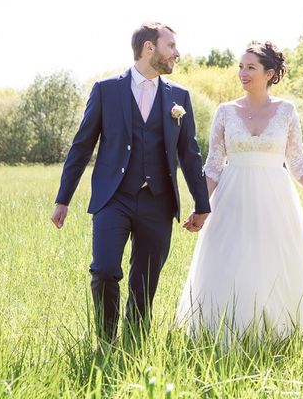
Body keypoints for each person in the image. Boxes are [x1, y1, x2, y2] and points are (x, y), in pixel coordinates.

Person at [51, 22, 211, 346]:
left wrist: (202, 205)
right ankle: (107, 342)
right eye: (170, 46)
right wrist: (63, 199)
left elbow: (189, 155)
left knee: (144, 284)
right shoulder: (106, 90)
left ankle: (133, 349)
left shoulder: (179, 97)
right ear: (149, 48)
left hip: (159, 202)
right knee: (105, 270)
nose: (176, 53)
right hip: (114, 198)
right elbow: (82, 146)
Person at [176, 41, 303, 339]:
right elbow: (214, 165)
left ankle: (273, 330)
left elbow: (297, 163)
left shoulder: (287, 111)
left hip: (275, 198)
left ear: (270, 73)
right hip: (233, 196)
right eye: (241, 66)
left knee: (270, 260)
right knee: (230, 259)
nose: (243, 73)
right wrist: (201, 206)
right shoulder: (225, 112)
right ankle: (223, 329)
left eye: (251, 67)